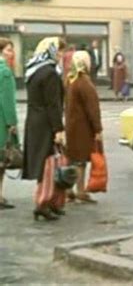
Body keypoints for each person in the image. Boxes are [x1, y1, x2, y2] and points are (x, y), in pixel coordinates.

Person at [22, 37, 66, 221]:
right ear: (52, 50)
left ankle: (52, 202)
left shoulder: (34, 70)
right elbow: (52, 104)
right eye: (60, 51)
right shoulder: (50, 73)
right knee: (49, 164)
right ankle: (43, 202)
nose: (62, 55)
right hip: (46, 124)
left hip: (34, 121)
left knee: (46, 163)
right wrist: (59, 129)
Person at [65, 51, 103, 203]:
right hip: (83, 127)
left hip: (71, 125)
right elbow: (92, 108)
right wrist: (98, 129)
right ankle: (80, 191)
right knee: (81, 161)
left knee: (72, 158)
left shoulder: (70, 79)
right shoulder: (84, 81)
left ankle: (69, 190)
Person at [0, 38, 18, 210]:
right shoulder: (4, 71)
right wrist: (12, 122)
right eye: (8, 50)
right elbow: (7, 100)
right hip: (2, 122)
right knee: (2, 160)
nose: (11, 53)